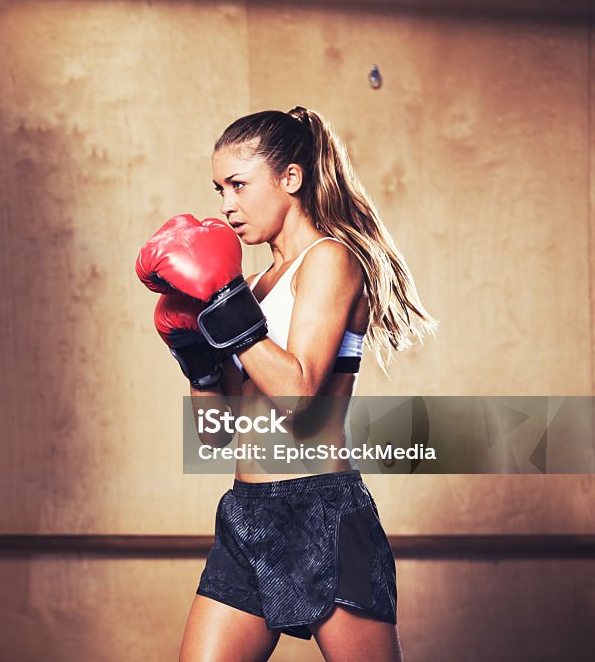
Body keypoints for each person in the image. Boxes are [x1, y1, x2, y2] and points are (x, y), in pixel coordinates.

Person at [136, 107, 437, 662]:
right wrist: (195, 359)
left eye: (239, 185)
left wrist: (226, 310)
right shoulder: (248, 284)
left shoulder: (330, 261)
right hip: (247, 515)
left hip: (322, 512)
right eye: (219, 188)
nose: (226, 205)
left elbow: (298, 397)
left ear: (290, 179)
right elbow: (215, 435)